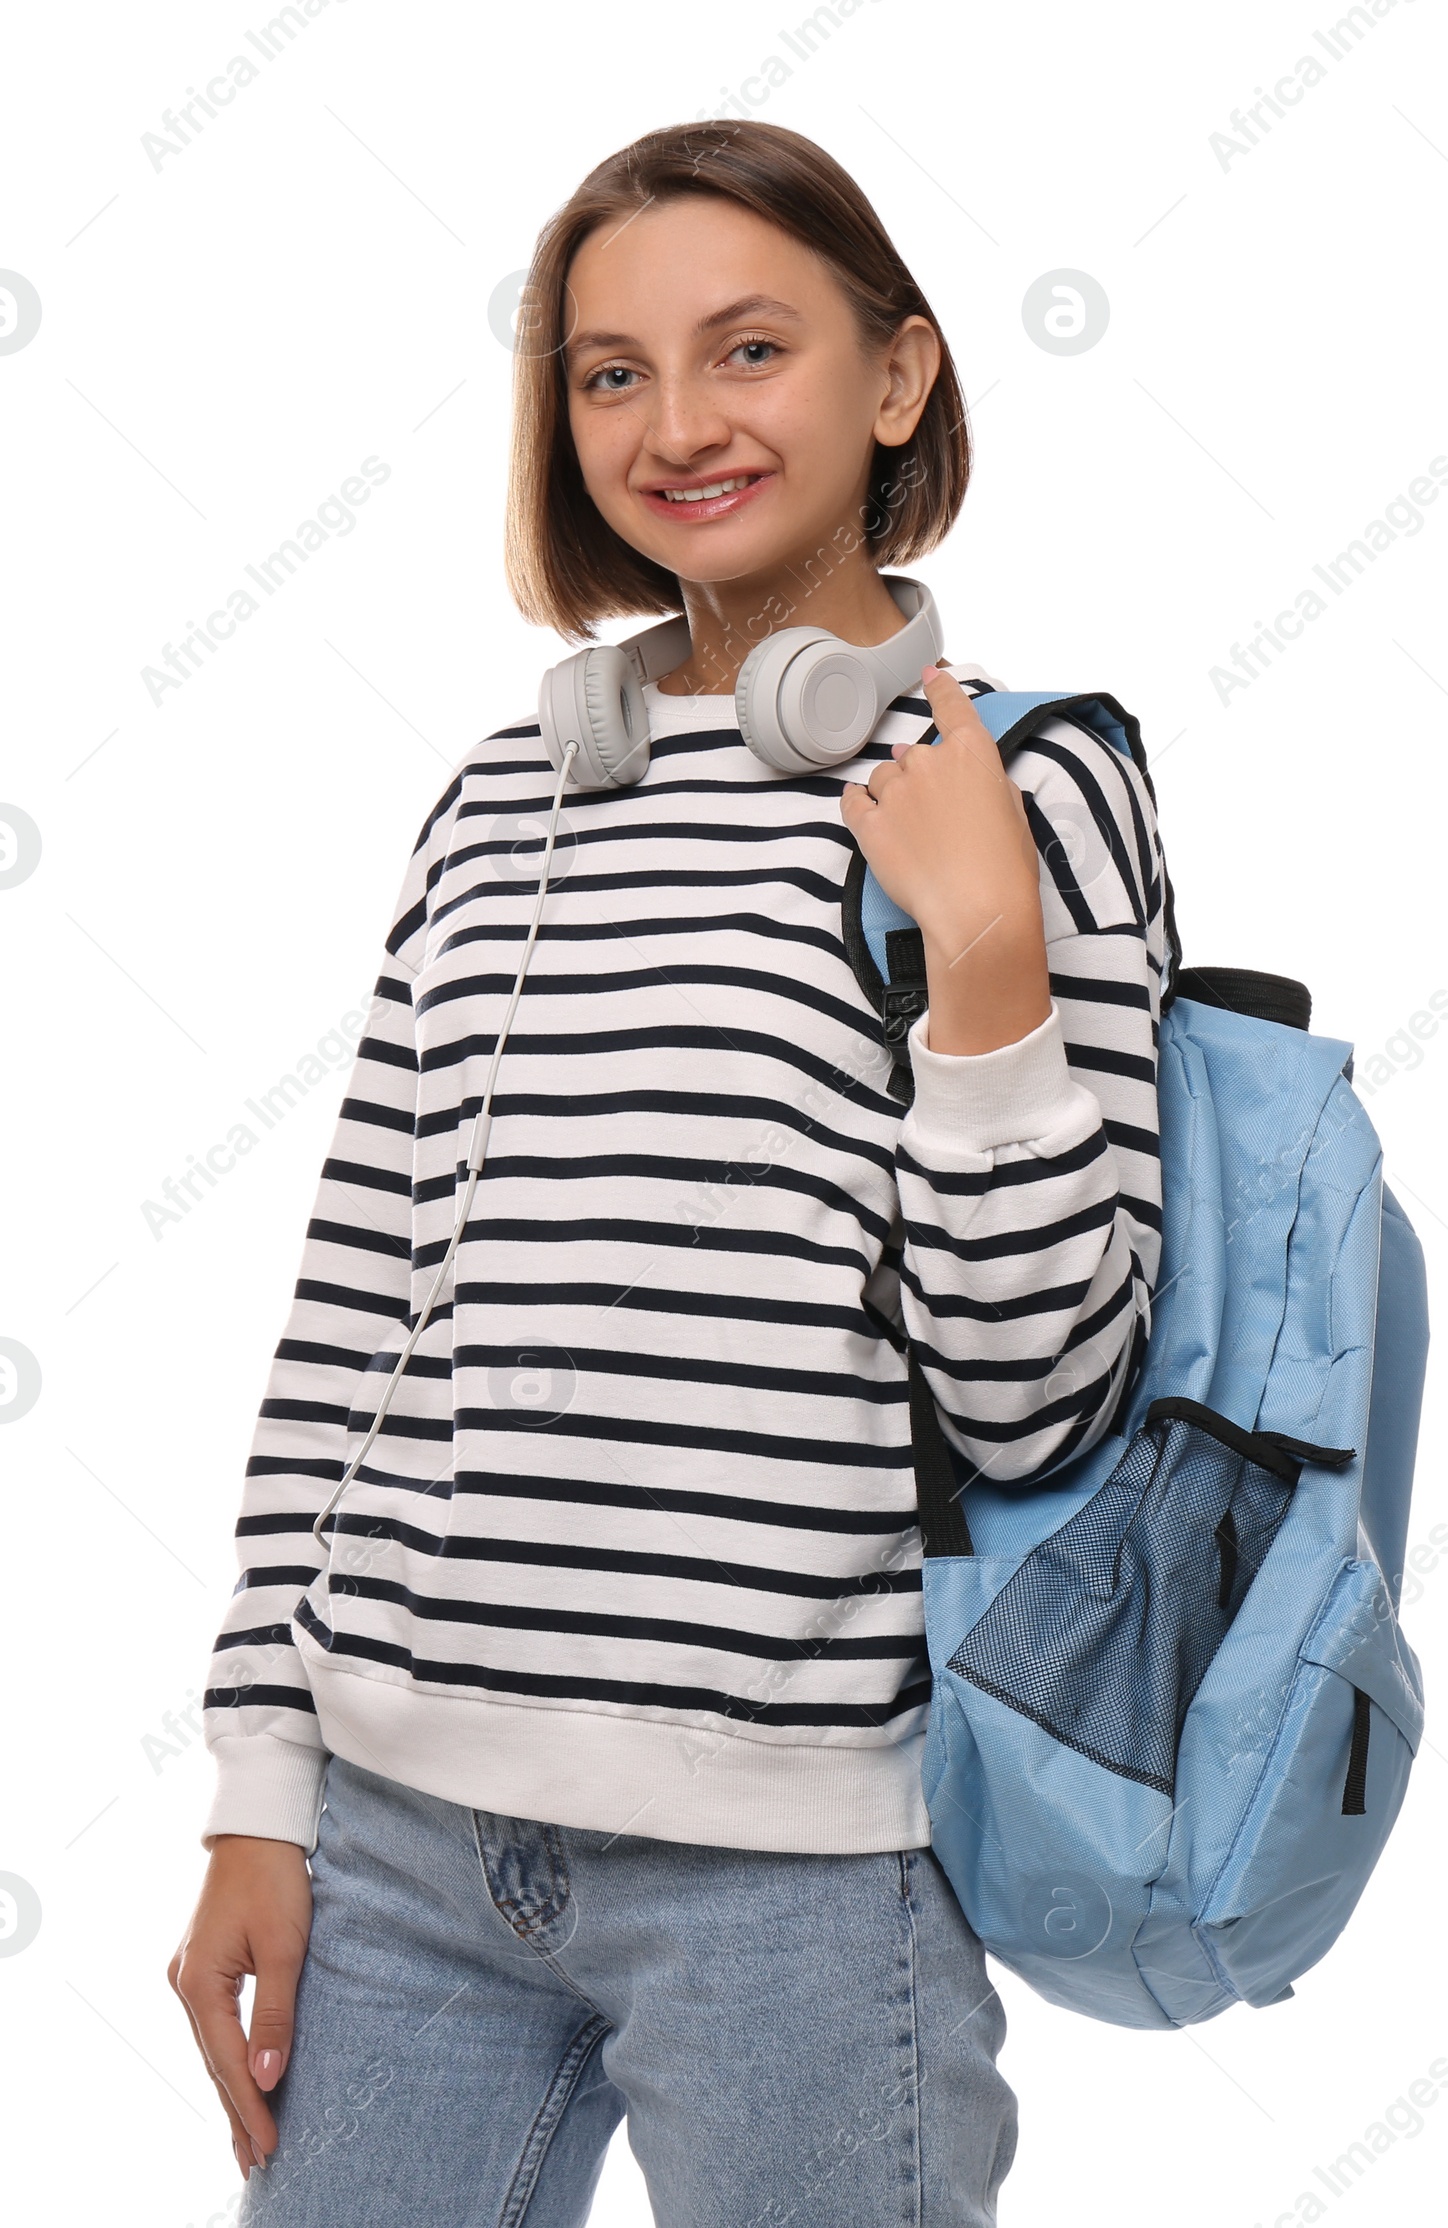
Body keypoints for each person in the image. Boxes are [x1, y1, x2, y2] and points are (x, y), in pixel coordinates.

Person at [168, 118, 1170, 2227]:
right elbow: (362, 1311)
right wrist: (259, 1789)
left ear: (891, 381)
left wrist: (983, 969)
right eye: (610, 371)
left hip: (798, 1875)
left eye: (746, 350)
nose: (675, 424)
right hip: (402, 1837)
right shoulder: (502, 800)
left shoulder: (1029, 778)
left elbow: (1039, 1396)